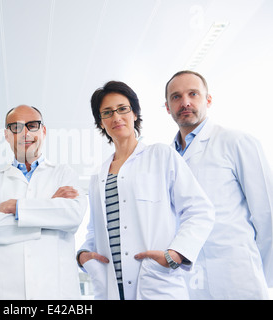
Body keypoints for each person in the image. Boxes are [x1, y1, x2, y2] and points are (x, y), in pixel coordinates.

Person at [77, 81, 215, 300]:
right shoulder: (97, 177)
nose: (116, 117)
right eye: (107, 112)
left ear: (134, 114)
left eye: (123, 109)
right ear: (101, 123)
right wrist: (83, 256)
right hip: (111, 289)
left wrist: (176, 254)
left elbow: (199, 210)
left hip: (155, 283)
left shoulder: (161, 155)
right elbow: (95, 229)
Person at [164, 70, 273, 299]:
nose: (185, 102)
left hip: (237, 276)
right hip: (189, 279)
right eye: (176, 97)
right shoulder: (166, 157)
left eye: (193, 94)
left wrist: (256, 270)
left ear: (208, 100)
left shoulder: (237, 142)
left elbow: (267, 214)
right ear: (167, 107)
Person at [0, 105, 87, 299]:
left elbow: (73, 216)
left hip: (54, 293)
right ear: (7, 135)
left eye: (32, 125)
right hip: (5, 292)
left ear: (43, 131)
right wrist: (48, 212)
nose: (25, 133)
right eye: (16, 127)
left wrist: (16, 207)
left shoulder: (64, 174)